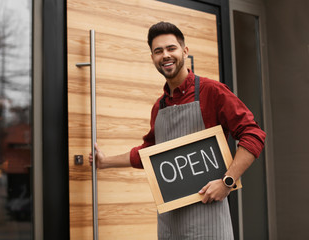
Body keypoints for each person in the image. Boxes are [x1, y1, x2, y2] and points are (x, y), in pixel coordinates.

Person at [90, 21, 266, 239]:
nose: (165, 55)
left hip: (208, 219)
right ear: (153, 58)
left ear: (184, 51)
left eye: (171, 48)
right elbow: (148, 153)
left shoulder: (212, 92)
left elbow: (253, 134)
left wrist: (227, 182)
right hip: (169, 224)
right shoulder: (159, 106)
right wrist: (104, 162)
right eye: (158, 51)